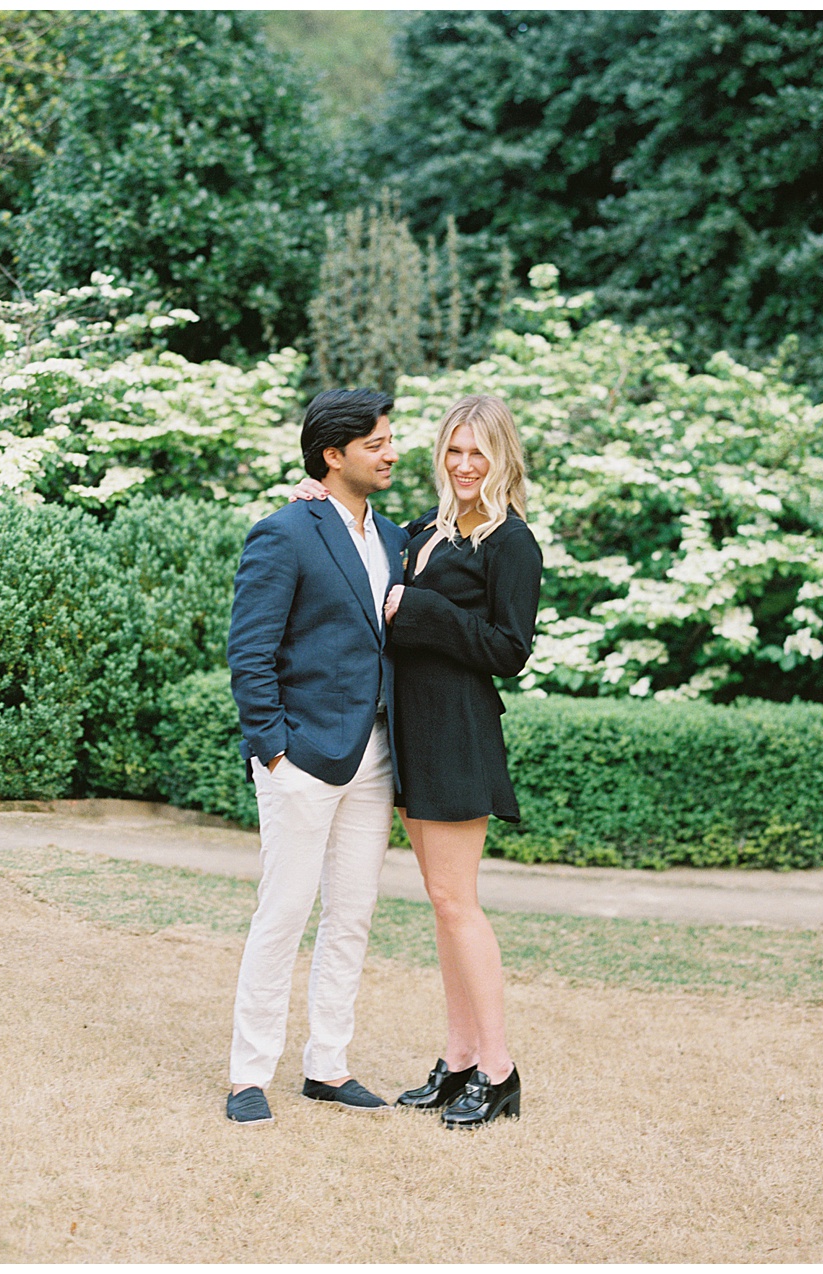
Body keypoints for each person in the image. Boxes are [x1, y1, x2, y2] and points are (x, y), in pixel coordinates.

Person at [293, 393, 542, 1128]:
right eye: (455, 451)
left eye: (479, 453)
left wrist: (425, 612)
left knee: (458, 903)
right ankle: (459, 1059)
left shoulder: (510, 542)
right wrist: (315, 494)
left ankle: (498, 1071)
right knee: (441, 903)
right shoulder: (424, 529)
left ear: (502, 457)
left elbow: (511, 651)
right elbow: (360, 546)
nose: (466, 466)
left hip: (459, 733)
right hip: (413, 734)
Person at [224, 388, 407, 1124]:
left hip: (376, 758)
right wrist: (273, 750)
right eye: (376, 444)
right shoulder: (283, 532)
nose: (392, 452)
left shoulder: (395, 536)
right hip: (300, 759)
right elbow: (250, 650)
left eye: (391, 440)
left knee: (353, 914)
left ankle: (327, 1067)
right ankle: (247, 1076)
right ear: (333, 456)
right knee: (284, 912)